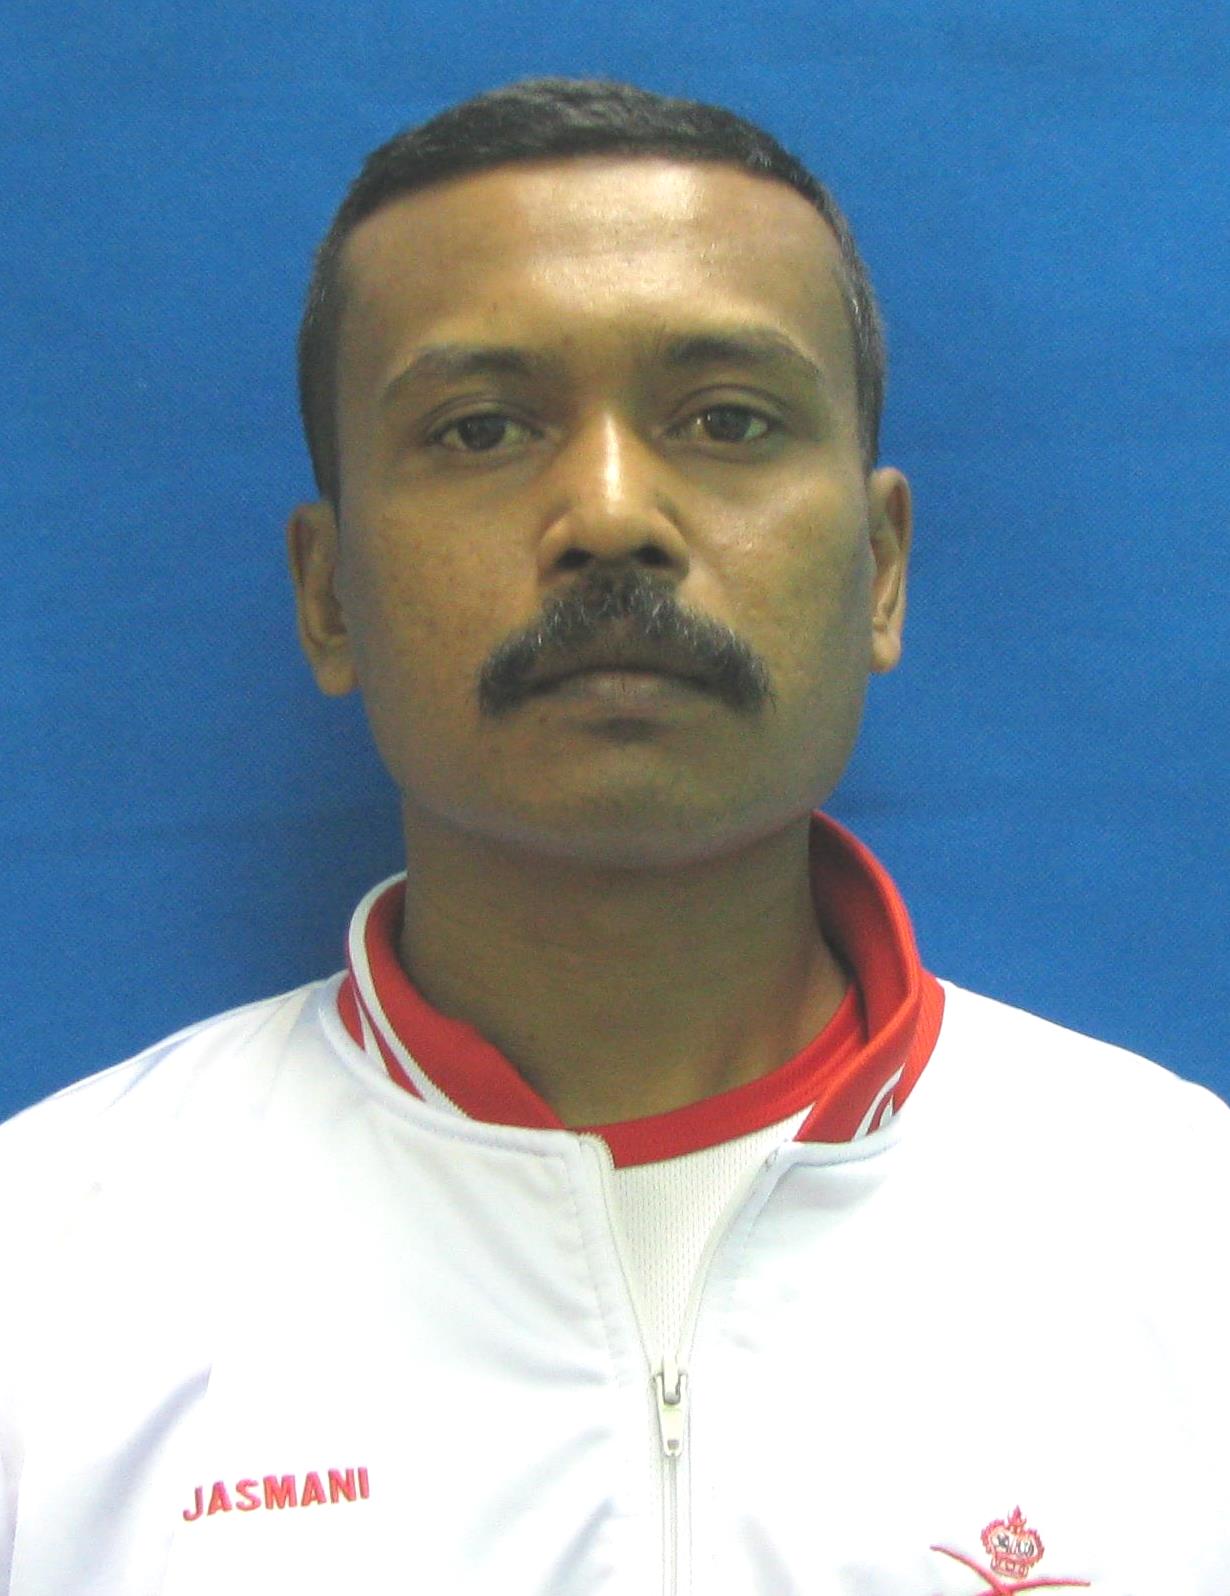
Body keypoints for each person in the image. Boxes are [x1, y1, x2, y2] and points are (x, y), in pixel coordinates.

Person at [1, 76, 1227, 1596]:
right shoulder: (45, 1278)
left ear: (881, 570)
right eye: (480, 429)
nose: (607, 513)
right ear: (326, 597)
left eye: (726, 421)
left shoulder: (1190, 1241)